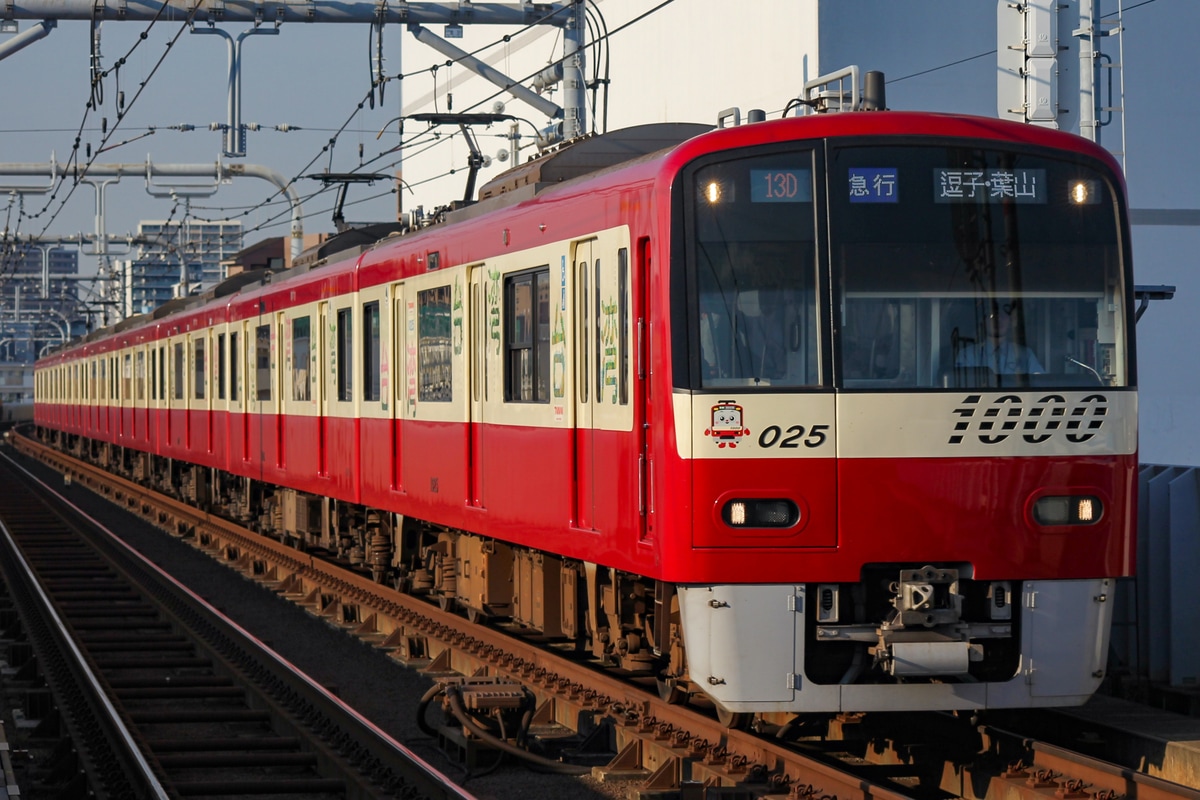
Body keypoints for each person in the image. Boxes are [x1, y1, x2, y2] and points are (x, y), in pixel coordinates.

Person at [956, 301, 1044, 374]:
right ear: (984, 321)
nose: (998, 320)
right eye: (992, 316)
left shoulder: (1025, 355)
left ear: (1010, 321)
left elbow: (1040, 383)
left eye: (1004, 316)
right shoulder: (967, 355)